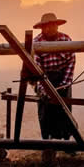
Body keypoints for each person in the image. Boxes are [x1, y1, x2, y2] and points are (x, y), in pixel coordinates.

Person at [32, 12, 75, 141]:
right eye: (46, 26)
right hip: (44, 77)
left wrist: (65, 84)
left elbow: (71, 62)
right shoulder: (36, 42)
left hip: (63, 77)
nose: (50, 28)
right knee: (45, 112)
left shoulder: (66, 40)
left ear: (57, 26)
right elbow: (36, 67)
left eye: (53, 25)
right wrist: (42, 88)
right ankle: (47, 142)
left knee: (64, 110)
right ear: (42, 28)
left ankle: (66, 141)